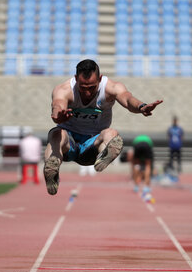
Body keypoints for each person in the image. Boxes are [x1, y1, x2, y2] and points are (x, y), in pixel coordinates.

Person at [44, 59, 163, 195]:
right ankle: (52, 171)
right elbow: (58, 104)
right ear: (76, 79)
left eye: (92, 88)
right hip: (68, 144)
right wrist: (58, 116)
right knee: (56, 134)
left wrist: (141, 106)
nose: (87, 93)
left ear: (100, 79)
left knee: (112, 133)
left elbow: (127, 98)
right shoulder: (64, 89)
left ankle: (103, 156)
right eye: (83, 88)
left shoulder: (111, 87)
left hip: (91, 145)